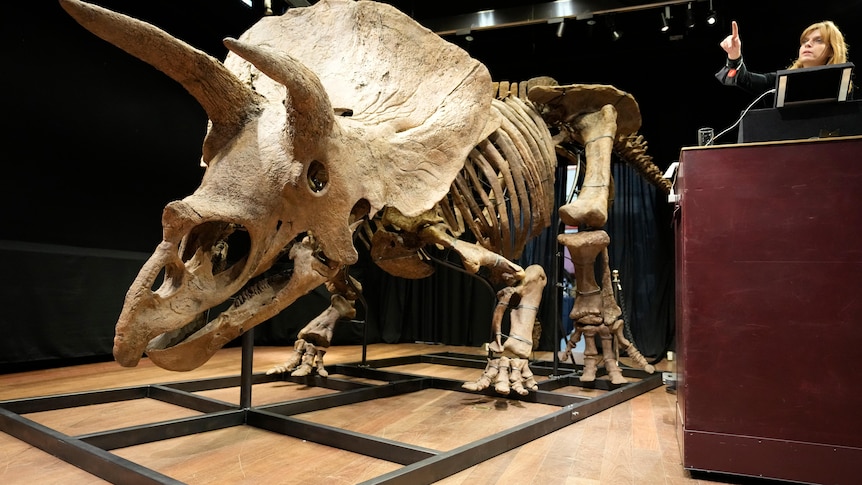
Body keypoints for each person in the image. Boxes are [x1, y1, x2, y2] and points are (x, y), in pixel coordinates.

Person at [715, 20, 850, 94]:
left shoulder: (842, 86)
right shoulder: (781, 81)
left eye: (818, 40)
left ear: (832, 50)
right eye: (804, 41)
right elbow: (745, 79)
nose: (808, 44)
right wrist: (734, 56)